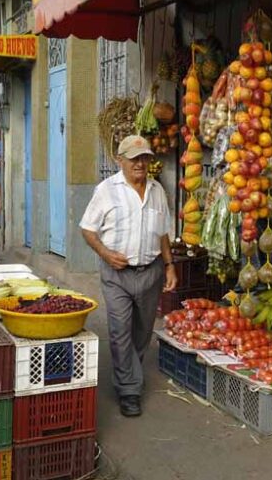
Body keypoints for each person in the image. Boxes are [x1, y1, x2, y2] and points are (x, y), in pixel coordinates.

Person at [80, 135, 178, 417]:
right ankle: (129, 389)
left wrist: (170, 265)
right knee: (120, 330)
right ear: (119, 160)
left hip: (151, 271)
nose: (140, 163)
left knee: (142, 331)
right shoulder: (106, 190)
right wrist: (105, 253)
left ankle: (129, 372)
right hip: (117, 274)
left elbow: (162, 233)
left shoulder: (157, 190)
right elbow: (87, 229)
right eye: (134, 158)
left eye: (144, 157)